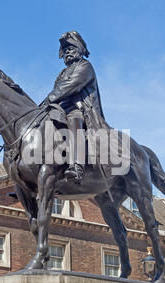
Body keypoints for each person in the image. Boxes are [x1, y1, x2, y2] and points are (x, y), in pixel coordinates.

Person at [40, 31, 105, 182]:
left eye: (72, 48)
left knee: (74, 120)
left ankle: (77, 166)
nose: (68, 51)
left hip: (81, 110)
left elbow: (70, 86)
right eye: (65, 50)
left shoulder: (85, 66)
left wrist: (48, 99)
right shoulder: (62, 73)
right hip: (61, 109)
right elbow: (57, 91)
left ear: (80, 49)